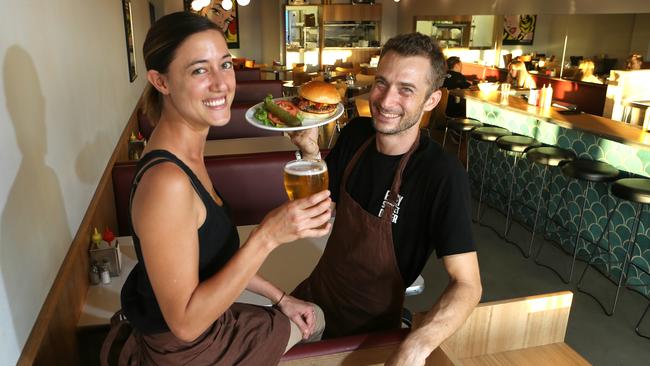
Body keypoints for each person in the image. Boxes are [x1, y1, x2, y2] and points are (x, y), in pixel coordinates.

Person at [111, 12, 332, 365]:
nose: (221, 83)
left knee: (303, 310)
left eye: (225, 65)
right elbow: (184, 324)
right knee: (317, 320)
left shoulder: (187, 153)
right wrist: (267, 237)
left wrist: (281, 298)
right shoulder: (167, 181)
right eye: (199, 70)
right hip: (188, 349)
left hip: (207, 324)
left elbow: (208, 259)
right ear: (161, 81)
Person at [290, 33, 482, 366]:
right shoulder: (355, 134)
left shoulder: (441, 174)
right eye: (382, 83)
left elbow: (468, 284)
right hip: (313, 298)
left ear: (432, 100)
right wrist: (308, 150)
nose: (386, 100)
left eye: (406, 89)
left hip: (369, 331)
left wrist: (416, 346)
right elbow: (318, 210)